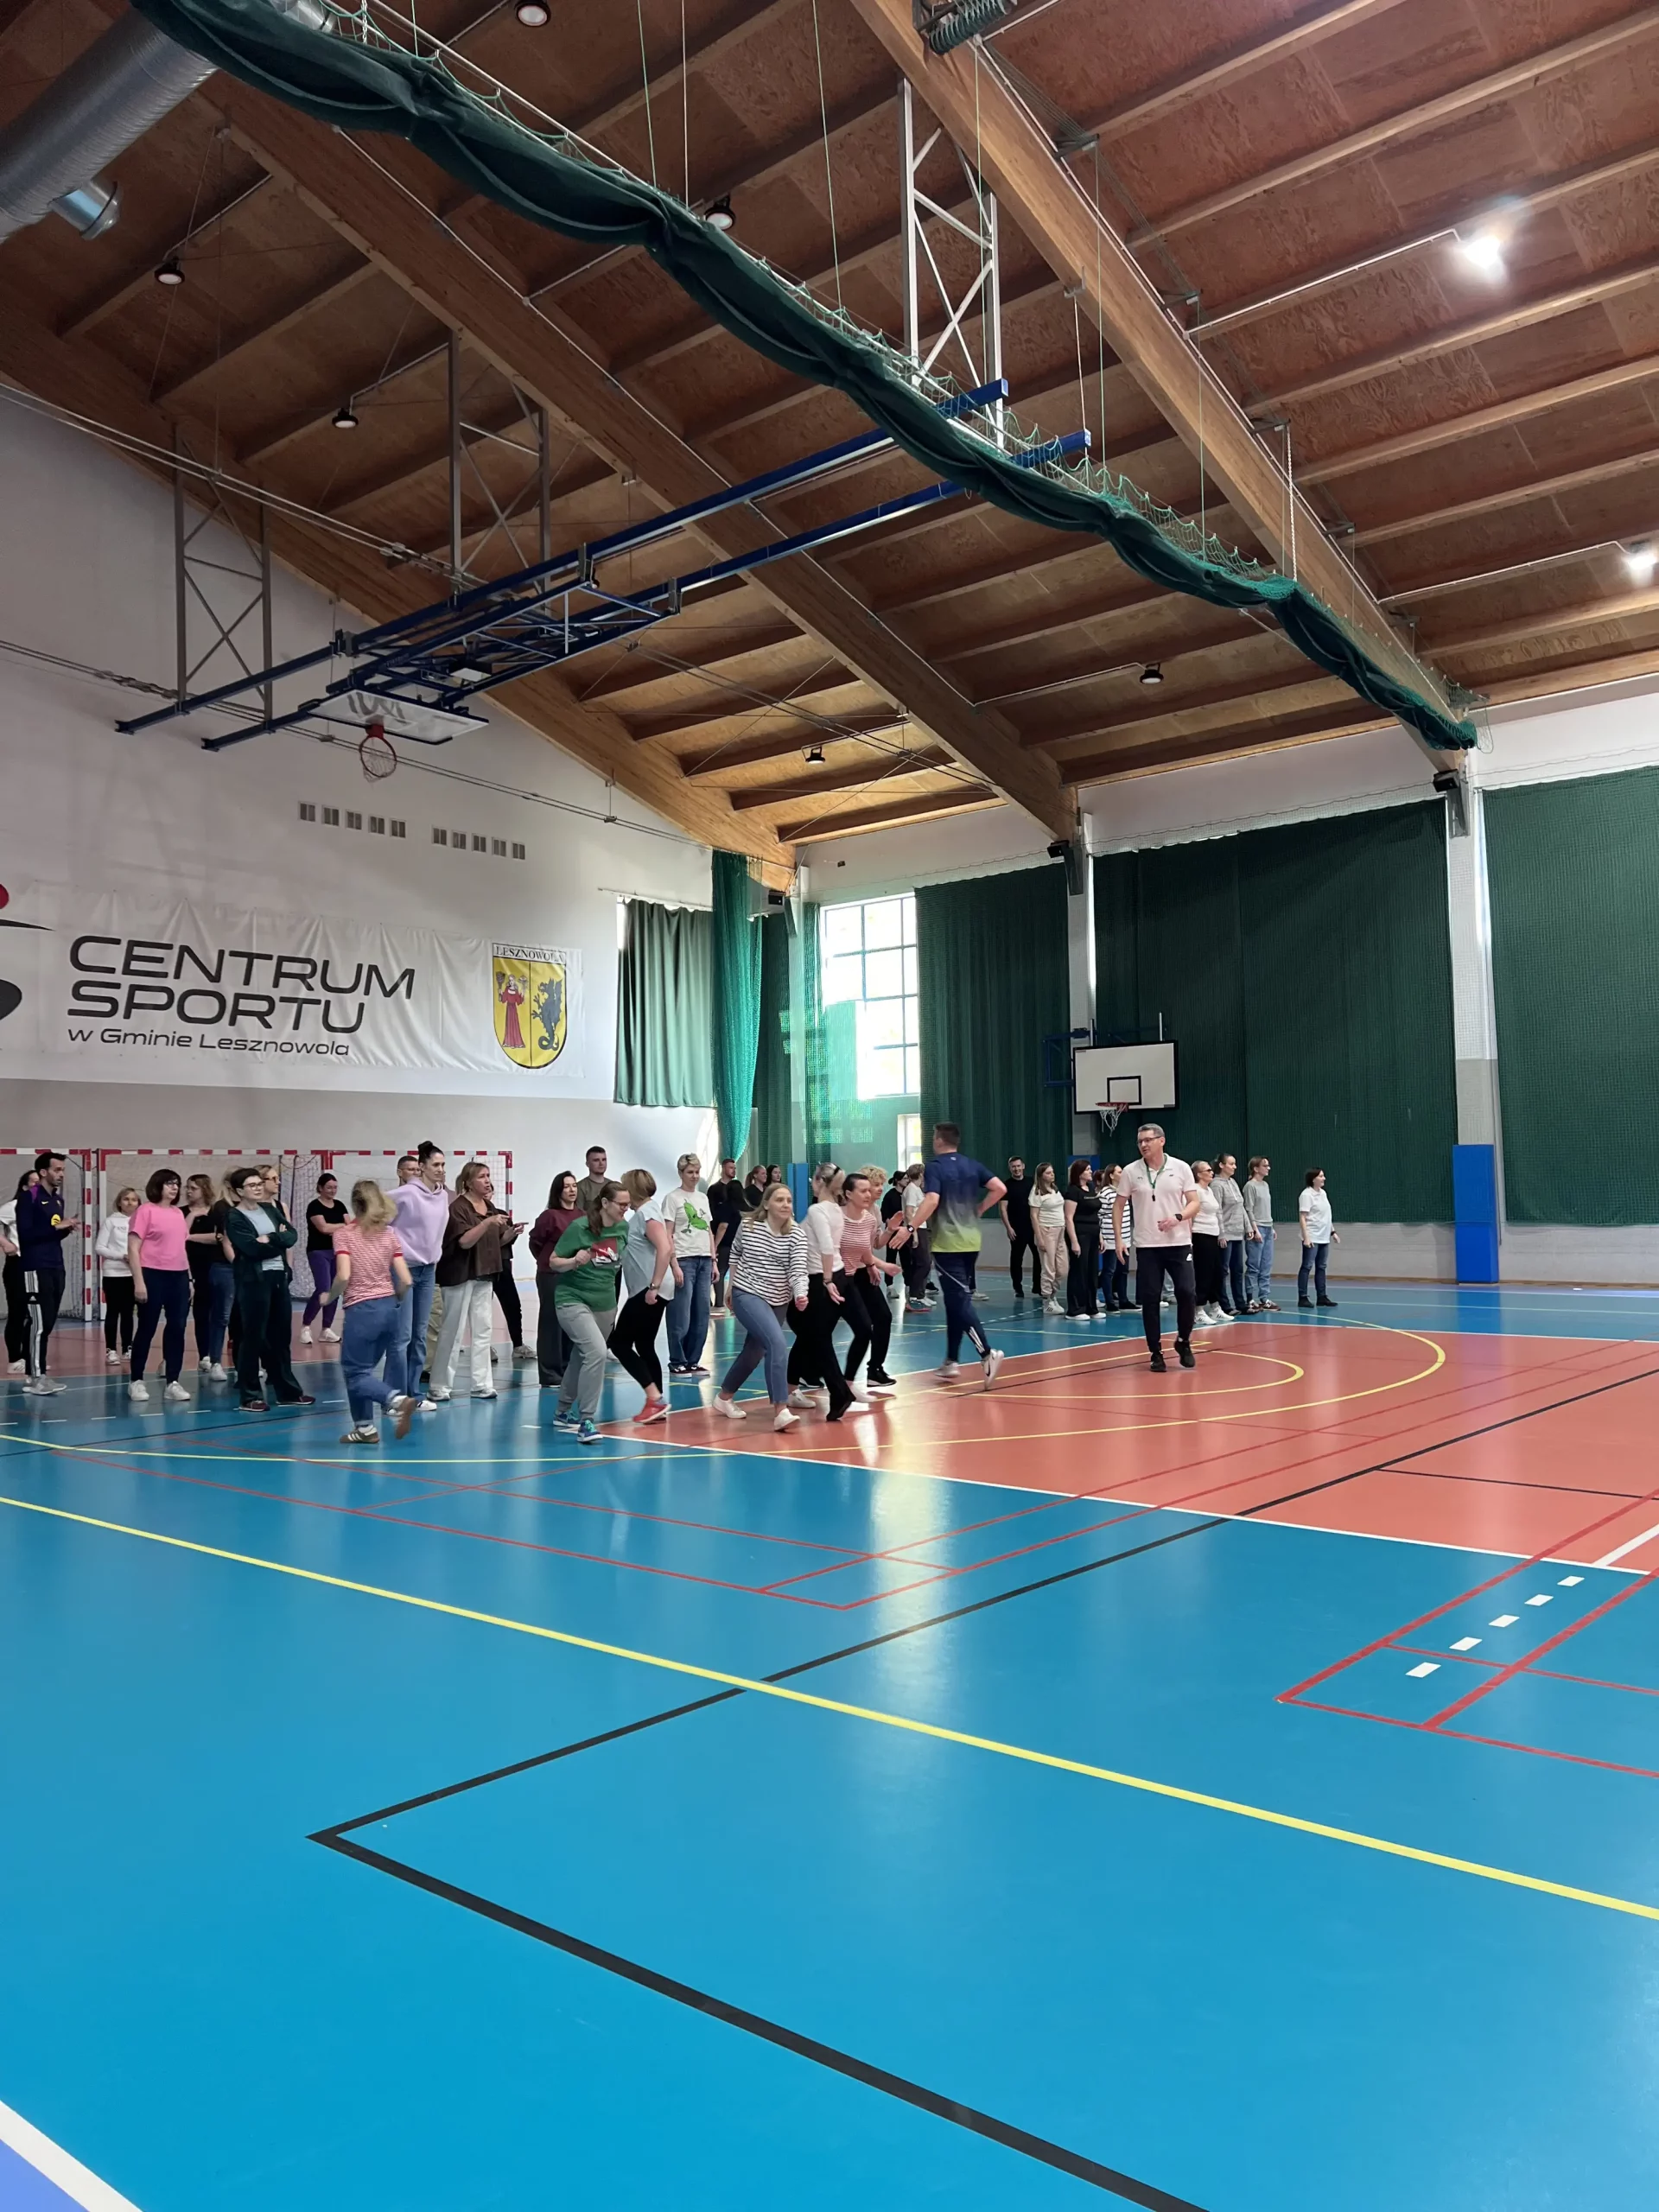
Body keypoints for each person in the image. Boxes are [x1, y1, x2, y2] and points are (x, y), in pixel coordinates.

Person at [909, 1124, 1005, 1388]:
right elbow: (999, 1188)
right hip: (972, 1241)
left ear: (939, 1140)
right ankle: (951, 1360)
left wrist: (911, 1227)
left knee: (960, 1302)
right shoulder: (972, 1165)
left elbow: (931, 1200)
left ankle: (986, 1353)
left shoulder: (935, 1167)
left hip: (948, 1244)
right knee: (955, 1301)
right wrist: (980, 1208)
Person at [712, 1181, 812, 1431]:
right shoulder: (749, 1226)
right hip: (747, 1293)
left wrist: (800, 1294)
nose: (786, 1205)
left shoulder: (797, 1234)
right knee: (776, 1343)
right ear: (766, 1204)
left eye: (789, 1200)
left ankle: (724, 1397)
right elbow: (735, 1254)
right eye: (779, 1200)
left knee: (754, 1351)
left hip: (778, 1299)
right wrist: (730, 1286)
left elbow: (798, 1270)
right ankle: (781, 1409)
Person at [332, 1178, 418, 1445]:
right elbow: (406, 1280)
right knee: (363, 1371)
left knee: (355, 1373)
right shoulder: (389, 1234)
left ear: (355, 1204)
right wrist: (395, 1300)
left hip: (362, 1310)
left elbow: (344, 1275)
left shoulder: (344, 1235)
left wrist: (329, 1296)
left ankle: (397, 1400)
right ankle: (365, 1428)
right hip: (389, 1308)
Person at [546, 1179, 629, 1444]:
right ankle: (587, 1420)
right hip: (572, 1299)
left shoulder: (623, 1228)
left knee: (581, 1358)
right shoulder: (579, 1228)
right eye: (621, 1204)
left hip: (605, 1303)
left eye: (628, 1205)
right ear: (605, 1203)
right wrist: (574, 1261)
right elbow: (553, 1262)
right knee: (596, 1352)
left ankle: (562, 1411)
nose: (625, 1209)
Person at [223, 1165, 312, 1412]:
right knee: (253, 1337)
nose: (258, 1188)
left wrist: (271, 1239)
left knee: (281, 1337)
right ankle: (250, 1395)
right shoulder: (234, 1216)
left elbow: (292, 1235)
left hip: (278, 1278)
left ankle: (287, 1392)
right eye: (252, 1185)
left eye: (259, 1184)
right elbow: (251, 1249)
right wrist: (275, 1241)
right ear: (239, 1191)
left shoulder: (270, 1209)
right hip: (254, 1282)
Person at [1113, 1122, 1199, 1373]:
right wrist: (1119, 1239)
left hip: (1179, 1243)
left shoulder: (1181, 1168)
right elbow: (1118, 1205)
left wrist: (1178, 1217)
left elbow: (1194, 1203)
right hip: (1148, 1245)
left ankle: (1183, 1340)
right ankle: (1155, 1352)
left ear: (1161, 1141)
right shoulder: (1131, 1171)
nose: (1143, 1145)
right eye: (1140, 1141)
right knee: (1150, 1298)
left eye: (1148, 1140)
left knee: (1186, 1292)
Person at [432, 1160, 518, 1400]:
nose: (487, 1180)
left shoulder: (489, 1206)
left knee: (483, 1330)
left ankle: (481, 1384)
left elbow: (493, 1242)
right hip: (460, 1275)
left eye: (488, 1175)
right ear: (468, 1182)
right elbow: (464, 1241)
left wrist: (509, 1234)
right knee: (453, 1330)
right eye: (481, 1176)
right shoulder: (458, 1208)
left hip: (485, 1273)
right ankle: (440, 1385)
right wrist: (488, 1223)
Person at [787, 1164, 861, 1421]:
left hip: (821, 1278)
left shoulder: (817, 1210)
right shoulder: (835, 1209)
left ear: (818, 1181)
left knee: (816, 1337)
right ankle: (796, 1388)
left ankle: (838, 1391)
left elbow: (827, 1247)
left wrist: (828, 1280)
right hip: (831, 1275)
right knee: (810, 1335)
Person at [608, 1167, 674, 1424]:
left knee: (619, 1343)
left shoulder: (647, 1213)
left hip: (649, 1289)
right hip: (648, 1288)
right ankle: (657, 1404)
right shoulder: (643, 1213)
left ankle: (654, 1398)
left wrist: (654, 1286)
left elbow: (664, 1248)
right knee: (645, 1345)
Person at [126, 1168, 194, 1402]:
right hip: (152, 1275)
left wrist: (189, 1279)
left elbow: (181, 1248)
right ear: (158, 1186)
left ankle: (172, 1382)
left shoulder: (178, 1213)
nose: (174, 1188)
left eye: (177, 1184)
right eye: (169, 1183)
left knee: (177, 1328)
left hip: (179, 1276)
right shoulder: (145, 1211)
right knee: (147, 1328)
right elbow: (133, 1248)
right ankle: (136, 1380)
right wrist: (139, 1281)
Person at [391, 1141, 448, 1407]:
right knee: (402, 1335)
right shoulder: (404, 1194)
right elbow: (375, 1217)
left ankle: (413, 1393)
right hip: (404, 1270)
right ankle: (394, 1396)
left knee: (420, 1334)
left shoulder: (442, 1195)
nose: (441, 1169)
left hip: (428, 1271)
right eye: (436, 1165)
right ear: (422, 1167)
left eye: (443, 1165)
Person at [16, 1152, 78, 1395]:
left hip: (56, 1265)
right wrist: (56, 1227)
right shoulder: (28, 1197)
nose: (61, 1174)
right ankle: (36, 1377)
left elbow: (52, 1234)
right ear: (43, 1172)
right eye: (57, 1170)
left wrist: (65, 1229)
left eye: (63, 1170)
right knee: (39, 1323)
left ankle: (36, 1374)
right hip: (35, 1266)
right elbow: (26, 1235)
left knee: (49, 1321)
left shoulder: (58, 1200)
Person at [837, 1171, 899, 1395]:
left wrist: (890, 1230)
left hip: (863, 1270)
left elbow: (874, 1245)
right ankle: (808, 1372)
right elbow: (854, 1248)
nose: (880, 1188)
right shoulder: (843, 1215)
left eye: (882, 1184)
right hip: (845, 1274)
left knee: (882, 1317)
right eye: (875, 1184)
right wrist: (879, 1265)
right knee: (825, 1327)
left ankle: (874, 1370)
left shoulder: (874, 1213)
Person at [663, 1154, 714, 1377]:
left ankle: (693, 1360)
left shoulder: (703, 1198)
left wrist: (713, 1260)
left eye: (697, 1172)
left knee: (702, 1313)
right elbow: (667, 1233)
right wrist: (673, 1263)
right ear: (681, 1173)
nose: (694, 1176)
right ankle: (677, 1360)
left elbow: (708, 1231)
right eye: (690, 1172)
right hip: (684, 1259)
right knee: (680, 1314)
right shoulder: (672, 1198)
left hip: (704, 1259)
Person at [529, 1171, 582, 1388]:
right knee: (552, 1322)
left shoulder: (582, 1215)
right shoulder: (550, 1216)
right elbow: (535, 1242)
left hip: (575, 1276)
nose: (571, 1190)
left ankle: (567, 1369)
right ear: (558, 1190)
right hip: (552, 1275)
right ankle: (550, 1373)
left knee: (572, 1322)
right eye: (567, 1186)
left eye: (574, 1185)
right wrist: (549, 1261)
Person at [188, 1176, 237, 1381]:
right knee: (207, 1313)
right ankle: (207, 1356)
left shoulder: (219, 1210)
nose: (188, 1191)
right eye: (188, 1188)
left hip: (217, 1264)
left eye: (193, 1188)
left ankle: (239, 1358)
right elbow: (181, 1235)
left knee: (233, 1314)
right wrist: (191, 1228)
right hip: (198, 1266)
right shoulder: (185, 1212)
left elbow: (219, 1237)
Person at [301, 1172, 346, 1344]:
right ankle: (306, 1326)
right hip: (318, 1251)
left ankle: (326, 1329)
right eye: (329, 1187)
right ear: (320, 1188)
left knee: (335, 1289)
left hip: (337, 1251)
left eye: (335, 1187)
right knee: (323, 1288)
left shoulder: (340, 1205)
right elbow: (324, 1228)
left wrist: (340, 1228)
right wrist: (342, 1226)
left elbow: (349, 1226)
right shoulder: (314, 1206)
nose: (332, 1190)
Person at [97, 1186, 141, 1364]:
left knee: (128, 1312)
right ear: (119, 1202)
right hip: (113, 1273)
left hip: (133, 1273)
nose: (130, 1203)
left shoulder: (140, 1222)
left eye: (134, 1199)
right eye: (126, 1199)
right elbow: (100, 1247)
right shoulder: (111, 1221)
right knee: (113, 1311)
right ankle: (111, 1350)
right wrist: (122, 1256)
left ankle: (127, 1348)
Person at [1190, 1160, 1231, 1327]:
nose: (1211, 1172)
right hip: (1200, 1236)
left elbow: (1216, 1212)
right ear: (1199, 1174)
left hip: (1212, 1235)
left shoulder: (1209, 1190)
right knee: (1203, 1274)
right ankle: (1198, 1311)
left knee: (1216, 1273)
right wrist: (1189, 1238)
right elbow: (1191, 1215)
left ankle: (1215, 1307)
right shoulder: (1195, 1191)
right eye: (1207, 1170)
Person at [2, 1167, 35, 1373]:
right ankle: (15, 1359)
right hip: (17, 1265)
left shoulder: (45, 1208)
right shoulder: (13, 1207)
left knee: (35, 1314)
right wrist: (5, 1243)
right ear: (24, 1187)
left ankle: (30, 1358)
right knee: (17, 1313)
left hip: (37, 1265)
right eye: (33, 1182)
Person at [1064, 1160, 1101, 1323]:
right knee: (1079, 1271)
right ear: (1079, 1173)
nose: (1090, 1172)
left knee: (1092, 1271)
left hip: (1093, 1234)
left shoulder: (1091, 1188)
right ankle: (1075, 1309)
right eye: (1087, 1169)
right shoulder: (1073, 1191)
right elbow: (1068, 1217)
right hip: (1080, 1234)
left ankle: (1091, 1307)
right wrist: (1074, 1241)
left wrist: (1100, 1237)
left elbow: (1095, 1214)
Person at [708, 1157, 747, 1315]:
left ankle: (719, 1303)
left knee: (721, 1270)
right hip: (744, 1244)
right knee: (740, 1274)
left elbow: (723, 1226)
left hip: (727, 1243)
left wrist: (714, 1245)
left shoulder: (727, 1207)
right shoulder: (747, 1209)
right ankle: (738, 1303)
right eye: (731, 1167)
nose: (734, 1170)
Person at [1028, 1163, 1066, 1315]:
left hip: (1060, 1229)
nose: (1052, 1175)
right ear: (1041, 1175)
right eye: (1048, 1173)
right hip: (1047, 1230)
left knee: (1062, 1268)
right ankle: (1047, 1301)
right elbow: (1034, 1216)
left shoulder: (1055, 1189)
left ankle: (1053, 1294)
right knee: (1049, 1267)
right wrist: (1039, 1238)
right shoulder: (1037, 1192)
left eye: (1052, 1172)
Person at [1299, 1168, 1339, 1307]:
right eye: (1321, 1176)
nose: (1324, 1178)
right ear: (1313, 1179)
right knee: (1307, 1266)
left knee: (1321, 1267)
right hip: (1312, 1236)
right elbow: (1303, 1217)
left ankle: (1322, 1296)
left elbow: (1326, 1216)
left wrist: (1333, 1232)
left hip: (1324, 1237)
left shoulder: (1323, 1193)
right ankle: (1303, 1297)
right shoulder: (1306, 1195)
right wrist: (1306, 1237)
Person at [1214, 1153, 1247, 1317]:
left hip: (1237, 1233)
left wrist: (1248, 1227)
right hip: (1226, 1234)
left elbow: (1241, 1207)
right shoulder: (1216, 1185)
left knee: (1238, 1270)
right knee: (1222, 1271)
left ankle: (1241, 1303)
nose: (1234, 1167)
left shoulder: (1233, 1182)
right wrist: (1221, 1233)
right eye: (1231, 1164)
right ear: (1221, 1165)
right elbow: (1217, 1210)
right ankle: (1224, 1305)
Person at [1244, 1156, 1277, 1313]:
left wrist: (1272, 1227)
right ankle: (1250, 1298)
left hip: (1268, 1228)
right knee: (1254, 1265)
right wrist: (1255, 1229)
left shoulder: (1265, 1185)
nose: (1268, 1168)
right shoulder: (1250, 1186)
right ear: (1256, 1168)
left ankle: (1264, 1298)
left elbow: (1265, 1208)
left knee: (1266, 1265)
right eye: (1265, 1165)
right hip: (1257, 1229)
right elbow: (1249, 1209)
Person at [1001, 1156, 1035, 1300]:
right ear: (1010, 1168)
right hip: (1016, 1228)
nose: (1016, 1169)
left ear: (1023, 1166)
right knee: (1016, 1259)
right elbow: (1003, 1209)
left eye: (1018, 1166)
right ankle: (1018, 1287)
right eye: (1013, 1166)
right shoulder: (1006, 1185)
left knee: (1039, 1256)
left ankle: (1038, 1286)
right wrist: (1009, 1228)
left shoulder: (1032, 1182)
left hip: (1033, 1226)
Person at [899, 1161, 932, 1311]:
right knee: (923, 1263)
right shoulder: (911, 1189)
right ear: (920, 1174)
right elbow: (909, 1213)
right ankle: (914, 1295)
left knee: (924, 1263)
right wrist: (914, 1234)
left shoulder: (917, 1189)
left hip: (922, 1228)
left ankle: (920, 1294)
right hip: (917, 1229)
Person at [1100, 1163, 1132, 1310]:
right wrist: (1101, 1237)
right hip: (1111, 1238)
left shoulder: (1124, 1192)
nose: (1123, 1174)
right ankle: (1110, 1302)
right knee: (1109, 1270)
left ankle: (1123, 1300)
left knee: (1123, 1270)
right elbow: (1099, 1216)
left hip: (1125, 1237)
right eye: (1119, 1172)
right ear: (1111, 1176)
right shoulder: (1105, 1193)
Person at [575, 1145, 610, 1210]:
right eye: (596, 1160)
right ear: (587, 1164)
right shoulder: (580, 1187)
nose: (601, 1163)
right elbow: (578, 1213)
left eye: (604, 1160)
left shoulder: (613, 1186)